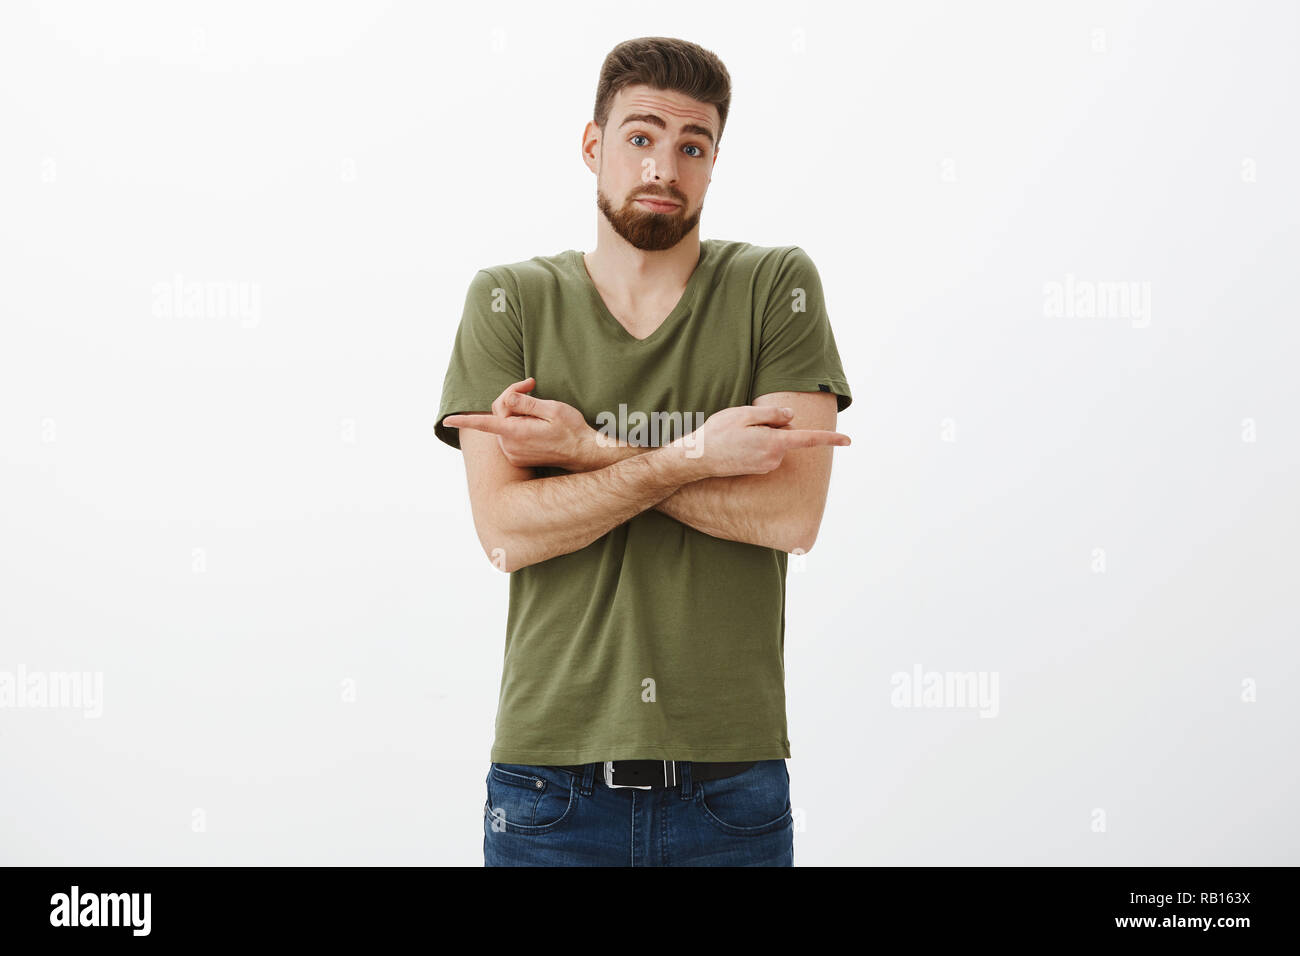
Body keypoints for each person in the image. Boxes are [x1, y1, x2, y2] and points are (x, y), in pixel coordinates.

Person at [435, 36, 853, 866]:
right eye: (640, 137)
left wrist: (585, 449)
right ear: (593, 146)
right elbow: (508, 534)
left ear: (713, 161)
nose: (664, 165)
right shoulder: (509, 301)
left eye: (691, 146)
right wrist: (695, 457)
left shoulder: (775, 288)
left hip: (731, 783)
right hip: (548, 784)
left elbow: (791, 517)